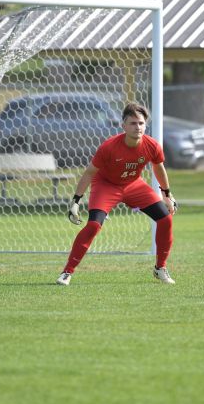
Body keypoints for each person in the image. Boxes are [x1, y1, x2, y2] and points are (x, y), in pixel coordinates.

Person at [56, 103, 177, 286]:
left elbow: (158, 167)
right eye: (133, 123)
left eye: (141, 123)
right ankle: (67, 272)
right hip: (106, 186)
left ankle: (160, 268)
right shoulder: (109, 146)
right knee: (93, 226)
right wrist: (76, 201)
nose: (138, 127)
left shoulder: (152, 145)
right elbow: (89, 172)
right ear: (123, 126)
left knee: (165, 219)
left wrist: (167, 194)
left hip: (133, 185)